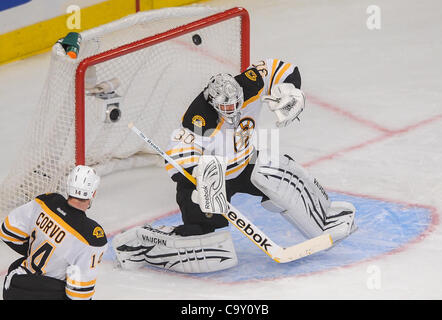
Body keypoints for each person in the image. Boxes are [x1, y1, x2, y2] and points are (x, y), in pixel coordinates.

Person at [113, 59, 356, 273]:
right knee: (211, 249)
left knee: (283, 174)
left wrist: (290, 91)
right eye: (225, 108)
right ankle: (141, 243)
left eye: (235, 105)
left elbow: (279, 68)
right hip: (210, 179)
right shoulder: (199, 116)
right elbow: (178, 157)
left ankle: (324, 218)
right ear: (213, 103)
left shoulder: (248, 84)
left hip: (245, 163)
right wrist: (198, 177)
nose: (232, 111)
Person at [1, 165, 107, 300]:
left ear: (68, 186)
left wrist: (33, 253)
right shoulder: (92, 236)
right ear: (93, 193)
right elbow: (79, 294)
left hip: (15, 288)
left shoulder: (47, 201)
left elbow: (8, 231)